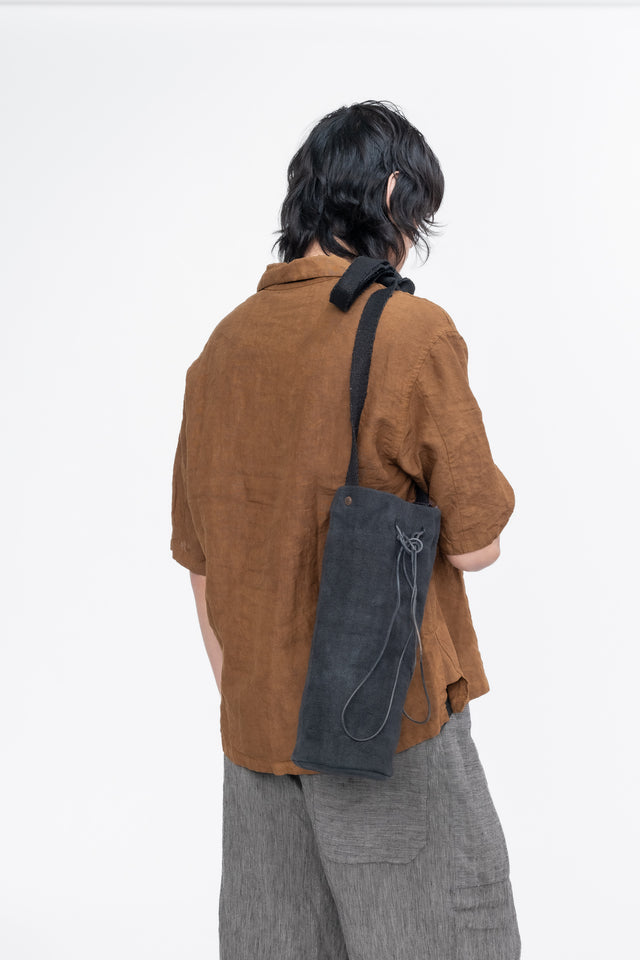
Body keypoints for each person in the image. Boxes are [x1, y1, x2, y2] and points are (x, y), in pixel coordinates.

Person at [170, 99, 521, 959]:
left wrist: (259, 694)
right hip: (385, 723)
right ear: (393, 193)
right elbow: (476, 543)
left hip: (256, 733)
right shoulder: (410, 330)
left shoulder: (221, 348)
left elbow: (200, 558)